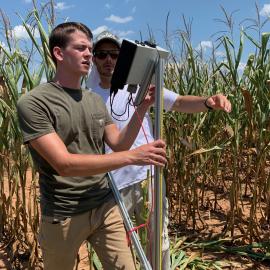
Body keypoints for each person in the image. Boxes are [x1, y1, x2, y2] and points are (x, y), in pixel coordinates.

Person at [16, 22, 167, 270]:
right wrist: (133, 157)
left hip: (104, 205)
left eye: (89, 48)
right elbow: (64, 164)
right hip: (63, 212)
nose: (89, 54)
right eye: (81, 48)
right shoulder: (34, 103)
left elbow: (119, 144)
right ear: (59, 53)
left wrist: (142, 107)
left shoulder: (95, 100)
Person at [86, 30, 232, 269]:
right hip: (111, 186)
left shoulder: (141, 88)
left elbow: (180, 102)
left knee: (158, 242)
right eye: (101, 54)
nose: (108, 60)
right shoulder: (89, 97)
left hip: (148, 179)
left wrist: (208, 102)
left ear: (123, 57)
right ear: (94, 59)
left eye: (114, 54)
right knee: (117, 249)